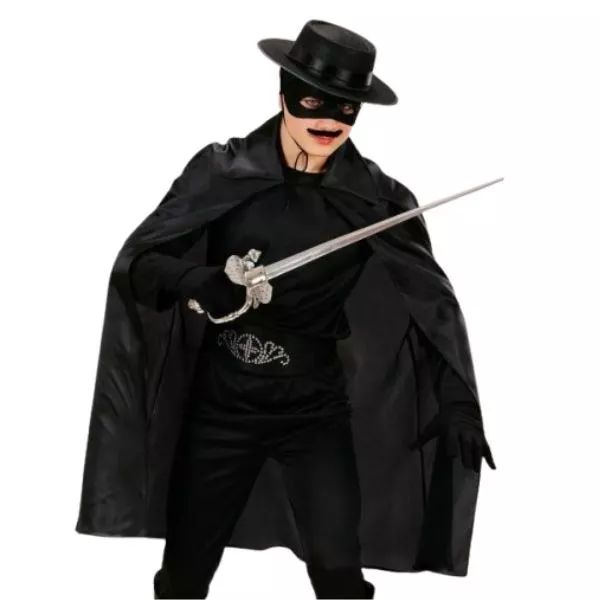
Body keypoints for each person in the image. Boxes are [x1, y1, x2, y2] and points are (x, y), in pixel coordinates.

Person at [75, 19, 496, 600]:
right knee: (185, 575)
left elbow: (430, 305)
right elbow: (141, 265)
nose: (329, 121)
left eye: (345, 108)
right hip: (221, 407)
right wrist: (197, 280)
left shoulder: (378, 201)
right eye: (314, 101)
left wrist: (457, 401)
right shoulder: (222, 171)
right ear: (283, 95)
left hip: (314, 411)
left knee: (338, 575)